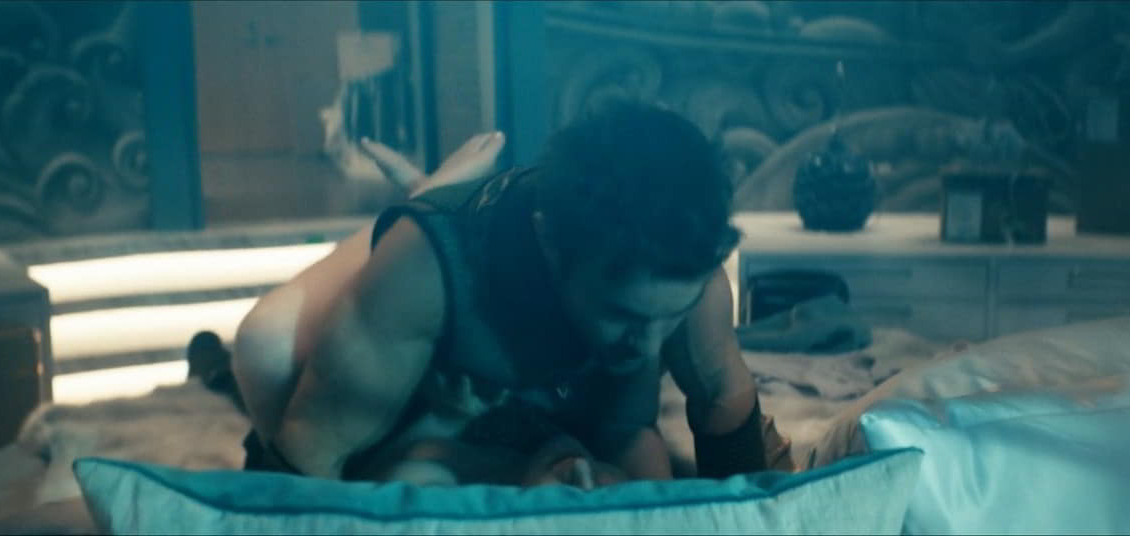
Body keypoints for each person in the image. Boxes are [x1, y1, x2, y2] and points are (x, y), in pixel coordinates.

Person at [227, 100, 793, 487]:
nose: (648, 346)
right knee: (266, 347)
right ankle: (434, 191)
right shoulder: (427, 270)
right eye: (623, 315)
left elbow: (715, 431)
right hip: (452, 254)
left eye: (666, 319)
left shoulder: (691, 272)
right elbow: (311, 454)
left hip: (543, 369)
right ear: (550, 246)